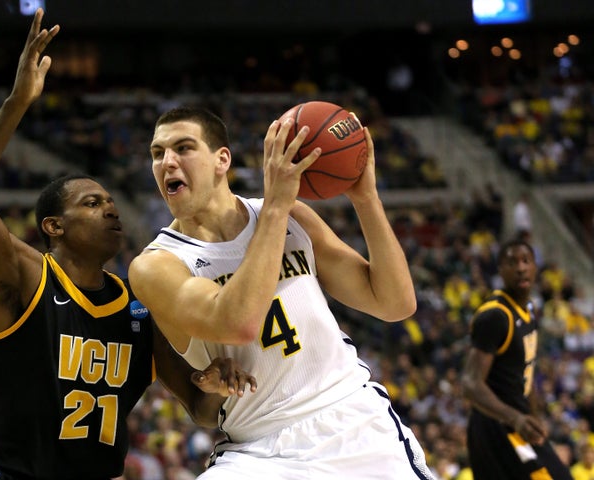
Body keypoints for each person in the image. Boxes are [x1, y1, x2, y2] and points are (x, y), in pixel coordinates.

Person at [0, 10, 255, 480]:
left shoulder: (139, 306)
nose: (111, 209)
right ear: (53, 226)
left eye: (110, 202)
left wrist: (214, 387)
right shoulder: (26, 275)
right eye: (91, 203)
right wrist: (16, 104)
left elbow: (200, 408)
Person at [128, 106, 434, 478]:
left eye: (183, 148)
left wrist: (366, 199)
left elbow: (394, 303)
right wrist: (275, 206)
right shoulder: (157, 264)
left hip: (352, 421)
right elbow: (238, 324)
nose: (167, 163)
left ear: (221, 159)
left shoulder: (294, 217)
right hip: (257, 450)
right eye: (158, 154)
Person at [461, 238, 573, 479]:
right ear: (500, 270)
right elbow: (470, 384)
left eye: (526, 261)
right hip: (496, 425)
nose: (521, 267)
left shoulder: (529, 309)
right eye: (512, 262)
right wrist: (517, 418)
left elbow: (526, 371)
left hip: (516, 420)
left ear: (535, 267)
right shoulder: (495, 316)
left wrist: (533, 415)